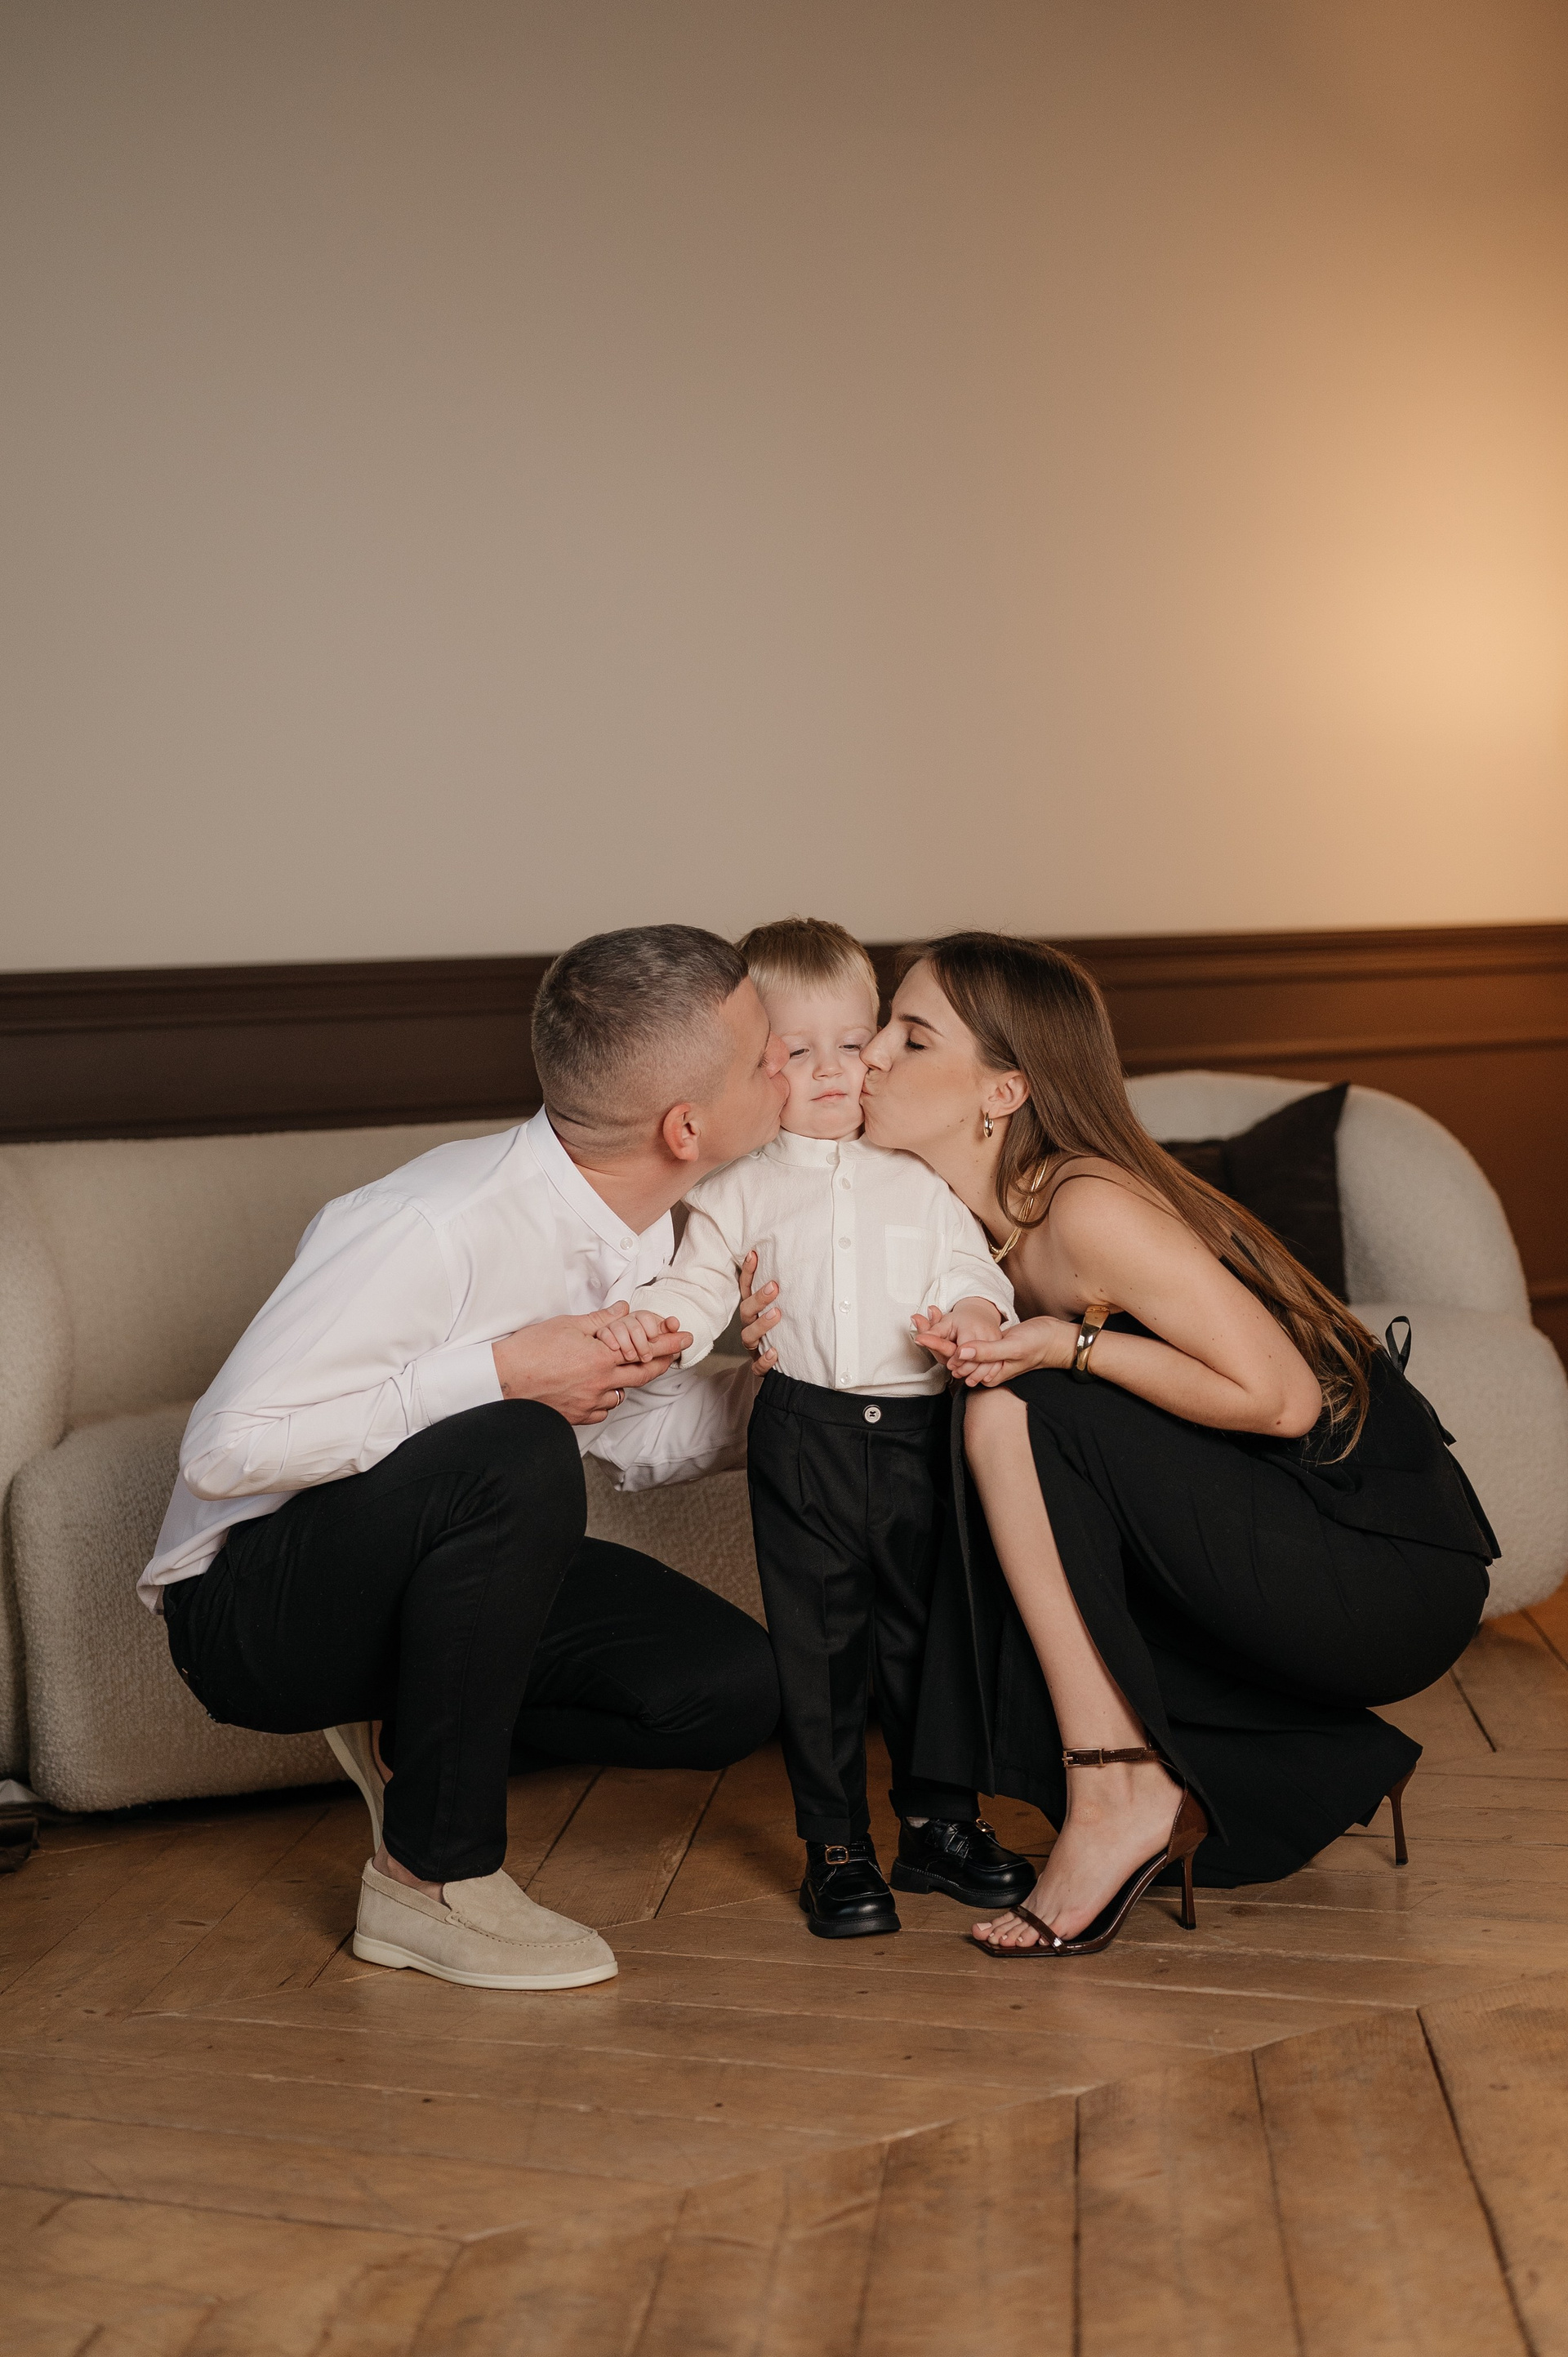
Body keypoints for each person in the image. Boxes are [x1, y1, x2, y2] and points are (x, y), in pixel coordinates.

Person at [141, 925, 787, 1992]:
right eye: (768, 1056)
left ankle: (412, 1732)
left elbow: (623, 1432)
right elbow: (225, 1450)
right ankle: (427, 1879)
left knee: (729, 1689)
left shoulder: (661, 1237)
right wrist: (501, 1371)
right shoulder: (429, 1222)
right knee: (518, 1441)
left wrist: (788, 1394)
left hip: (446, 1564)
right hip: (251, 1610)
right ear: (686, 1125)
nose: (790, 1068)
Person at [857, 932, 1495, 1958]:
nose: (873, 1052)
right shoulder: (967, 1226)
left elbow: (1282, 1402)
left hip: (1384, 1570)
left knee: (1014, 1408)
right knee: (978, 1431)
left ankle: (1118, 1789)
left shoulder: (1087, 1207)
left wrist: (1067, 1345)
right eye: (883, 1025)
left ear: (1004, 1092)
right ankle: (1288, 1765)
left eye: (912, 1036)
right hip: (1281, 1545)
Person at [594, 918, 1034, 1937]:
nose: (834, 1070)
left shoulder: (919, 1171)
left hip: (923, 1435)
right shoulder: (737, 1187)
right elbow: (700, 1284)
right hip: (802, 1436)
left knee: (931, 1639)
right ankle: (836, 1847)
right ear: (758, 1067)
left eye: (854, 1041)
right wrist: (665, 1326)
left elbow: (969, 1265)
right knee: (819, 1647)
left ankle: (939, 1823)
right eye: (798, 1051)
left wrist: (976, 1314)